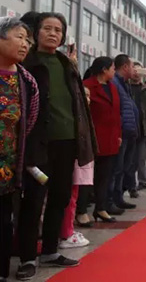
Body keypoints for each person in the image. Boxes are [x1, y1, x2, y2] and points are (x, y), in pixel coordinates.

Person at [18, 12, 96, 280]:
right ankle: (28, 257)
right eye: (47, 28)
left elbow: (78, 104)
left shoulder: (67, 64)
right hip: (37, 144)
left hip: (67, 142)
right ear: (36, 32)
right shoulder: (26, 63)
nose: (53, 34)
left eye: (58, 30)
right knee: (33, 201)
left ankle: (50, 250)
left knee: (60, 198)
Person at [0, 18, 38, 282]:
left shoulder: (26, 81)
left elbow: (30, 121)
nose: (25, 44)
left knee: (4, 221)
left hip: (8, 164)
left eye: (27, 39)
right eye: (19, 37)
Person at [83, 57, 122, 224]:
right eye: (112, 68)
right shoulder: (87, 86)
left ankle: (101, 207)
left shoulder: (112, 88)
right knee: (86, 178)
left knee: (104, 176)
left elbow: (116, 113)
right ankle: (81, 210)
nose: (114, 71)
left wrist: (118, 135)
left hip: (110, 139)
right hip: (93, 138)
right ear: (104, 69)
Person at [59, 85, 93, 249]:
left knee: (73, 195)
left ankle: (67, 230)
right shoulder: (75, 117)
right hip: (73, 162)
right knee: (69, 197)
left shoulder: (83, 116)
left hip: (80, 162)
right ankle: (66, 233)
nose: (87, 99)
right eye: (84, 95)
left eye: (88, 96)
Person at [109, 54, 138, 212]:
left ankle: (118, 197)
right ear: (125, 67)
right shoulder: (114, 83)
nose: (134, 70)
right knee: (117, 168)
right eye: (132, 66)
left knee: (124, 167)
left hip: (129, 132)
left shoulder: (125, 84)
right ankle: (112, 199)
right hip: (121, 132)